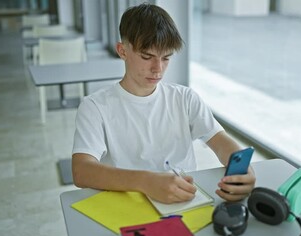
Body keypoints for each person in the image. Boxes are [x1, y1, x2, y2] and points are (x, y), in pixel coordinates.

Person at [71, 3, 255, 204]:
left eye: (166, 58)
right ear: (122, 51)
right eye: (147, 57)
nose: (158, 69)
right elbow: (82, 171)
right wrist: (145, 181)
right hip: (128, 205)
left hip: (183, 201)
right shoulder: (95, 107)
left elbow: (220, 142)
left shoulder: (184, 98)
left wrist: (242, 167)